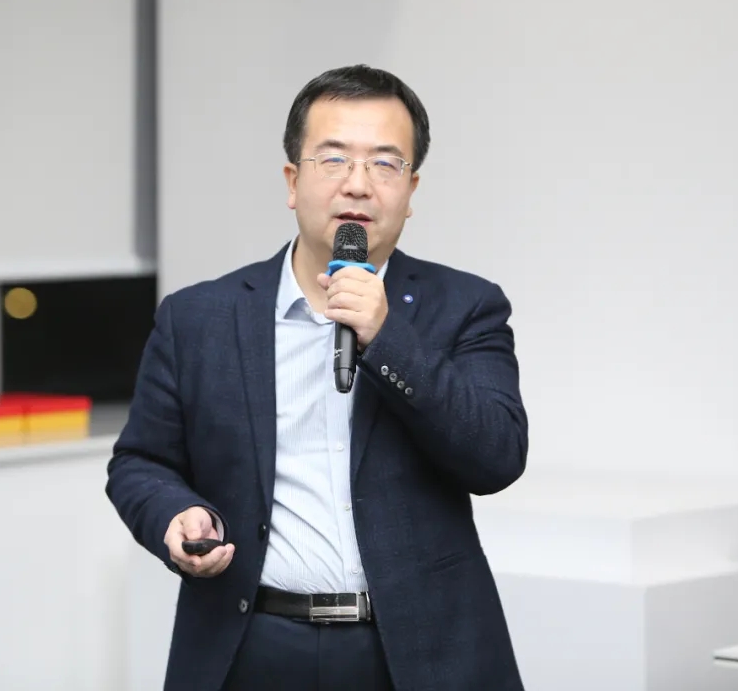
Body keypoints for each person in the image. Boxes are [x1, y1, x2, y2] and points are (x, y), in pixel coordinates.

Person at [105, 64, 528, 691]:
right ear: (292, 180)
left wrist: (387, 337)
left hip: (417, 651)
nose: (358, 184)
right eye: (333, 160)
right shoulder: (198, 318)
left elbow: (496, 457)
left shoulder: (466, 306)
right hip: (250, 643)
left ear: (411, 189)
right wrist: (175, 515)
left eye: (384, 164)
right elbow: (140, 462)